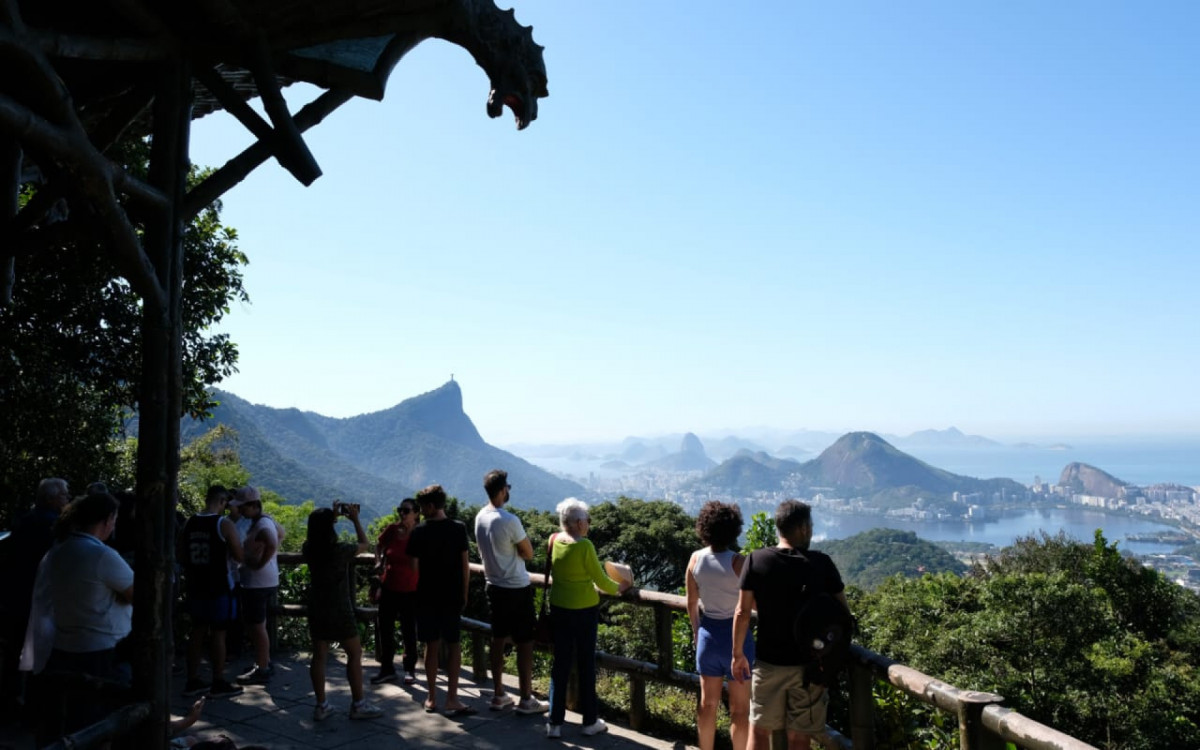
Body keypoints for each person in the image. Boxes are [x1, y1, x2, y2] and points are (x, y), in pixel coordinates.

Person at [732, 500, 849, 750]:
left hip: (768, 663)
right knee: (799, 737)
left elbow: (743, 611)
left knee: (760, 730)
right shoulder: (822, 564)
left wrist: (737, 654)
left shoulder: (757, 560)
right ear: (804, 528)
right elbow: (843, 614)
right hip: (810, 667)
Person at [545, 497, 630, 739]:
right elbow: (601, 581)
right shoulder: (584, 546)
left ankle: (554, 723)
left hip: (559, 608)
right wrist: (622, 587)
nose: (589, 524)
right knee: (585, 665)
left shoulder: (554, 540)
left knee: (559, 665)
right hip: (583, 612)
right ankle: (589, 721)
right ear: (578, 523)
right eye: (587, 520)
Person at [474, 470, 549, 714]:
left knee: (497, 639)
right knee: (525, 642)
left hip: (493, 586)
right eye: (508, 487)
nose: (509, 491)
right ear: (502, 489)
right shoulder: (509, 520)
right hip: (516, 587)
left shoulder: (480, 517)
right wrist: (516, 550)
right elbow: (528, 553)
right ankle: (526, 699)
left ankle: (499, 694)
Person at [302, 504, 382, 721]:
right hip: (339, 607)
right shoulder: (341, 550)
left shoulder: (308, 548)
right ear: (330, 528)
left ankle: (321, 705)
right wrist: (354, 519)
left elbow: (317, 537)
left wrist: (331, 517)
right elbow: (365, 544)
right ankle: (358, 704)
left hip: (317, 606)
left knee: (319, 656)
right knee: (354, 654)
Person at [687, 501, 753, 750]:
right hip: (738, 641)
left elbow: (692, 603)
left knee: (707, 705)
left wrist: (697, 633)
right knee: (739, 711)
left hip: (708, 636)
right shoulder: (739, 562)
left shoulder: (695, 559)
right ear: (734, 529)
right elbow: (751, 606)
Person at [0, 478, 71, 706]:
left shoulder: (24, 520)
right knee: (38, 652)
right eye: (64, 495)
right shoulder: (52, 527)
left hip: (16, 595)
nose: (67, 499)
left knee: (14, 650)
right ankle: (34, 704)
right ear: (51, 499)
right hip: (37, 597)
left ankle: (10, 699)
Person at [406, 484, 472, 716]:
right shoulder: (458, 528)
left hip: (425, 595)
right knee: (454, 646)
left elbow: (414, 567)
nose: (421, 511)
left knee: (430, 646)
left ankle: (432, 697)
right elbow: (465, 565)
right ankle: (453, 698)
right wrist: (464, 594)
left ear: (431, 506)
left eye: (422, 507)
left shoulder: (419, 531)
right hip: (452, 595)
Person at [180, 485, 245, 698]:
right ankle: (218, 681)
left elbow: (181, 551)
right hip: (219, 586)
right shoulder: (223, 524)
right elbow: (239, 555)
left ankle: (192, 680)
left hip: (195, 586)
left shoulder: (190, 522)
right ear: (223, 502)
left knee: (197, 632)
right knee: (219, 634)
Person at [230, 487, 278, 685]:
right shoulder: (262, 521)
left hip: (257, 583)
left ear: (253, 505)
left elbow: (272, 541)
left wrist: (259, 563)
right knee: (260, 625)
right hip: (264, 581)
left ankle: (263, 669)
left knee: (256, 627)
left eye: (242, 507)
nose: (239, 511)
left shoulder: (262, 524)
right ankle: (263, 661)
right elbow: (279, 534)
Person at [370, 498, 420, 686]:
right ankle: (387, 669)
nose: (402, 514)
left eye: (406, 510)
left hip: (411, 590)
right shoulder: (392, 530)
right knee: (386, 629)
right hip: (389, 587)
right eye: (401, 510)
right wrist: (378, 561)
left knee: (409, 631)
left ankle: (409, 669)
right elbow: (378, 545)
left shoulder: (419, 533)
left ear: (416, 513)